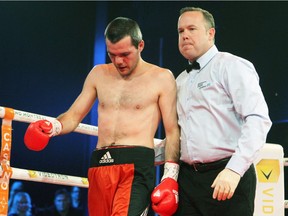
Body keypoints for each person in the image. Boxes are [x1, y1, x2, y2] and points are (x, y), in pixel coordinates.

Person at [24, 17, 180, 216]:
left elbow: (172, 131)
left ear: (140, 45)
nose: (119, 61)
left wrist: (170, 177)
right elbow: (73, 116)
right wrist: (52, 126)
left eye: (125, 54)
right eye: (112, 54)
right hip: (99, 165)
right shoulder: (98, 74)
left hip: (136, 167)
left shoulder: (161, 77)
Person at [174, 7, 272, 216]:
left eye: (192, 28)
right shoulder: (180, 80)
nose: (185, 35)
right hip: (187, 180)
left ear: (211, 33)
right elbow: (178, 133)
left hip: (226, 173)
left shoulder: (232, 66)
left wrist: (235, 169)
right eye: (181, 31)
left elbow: (257, 119)